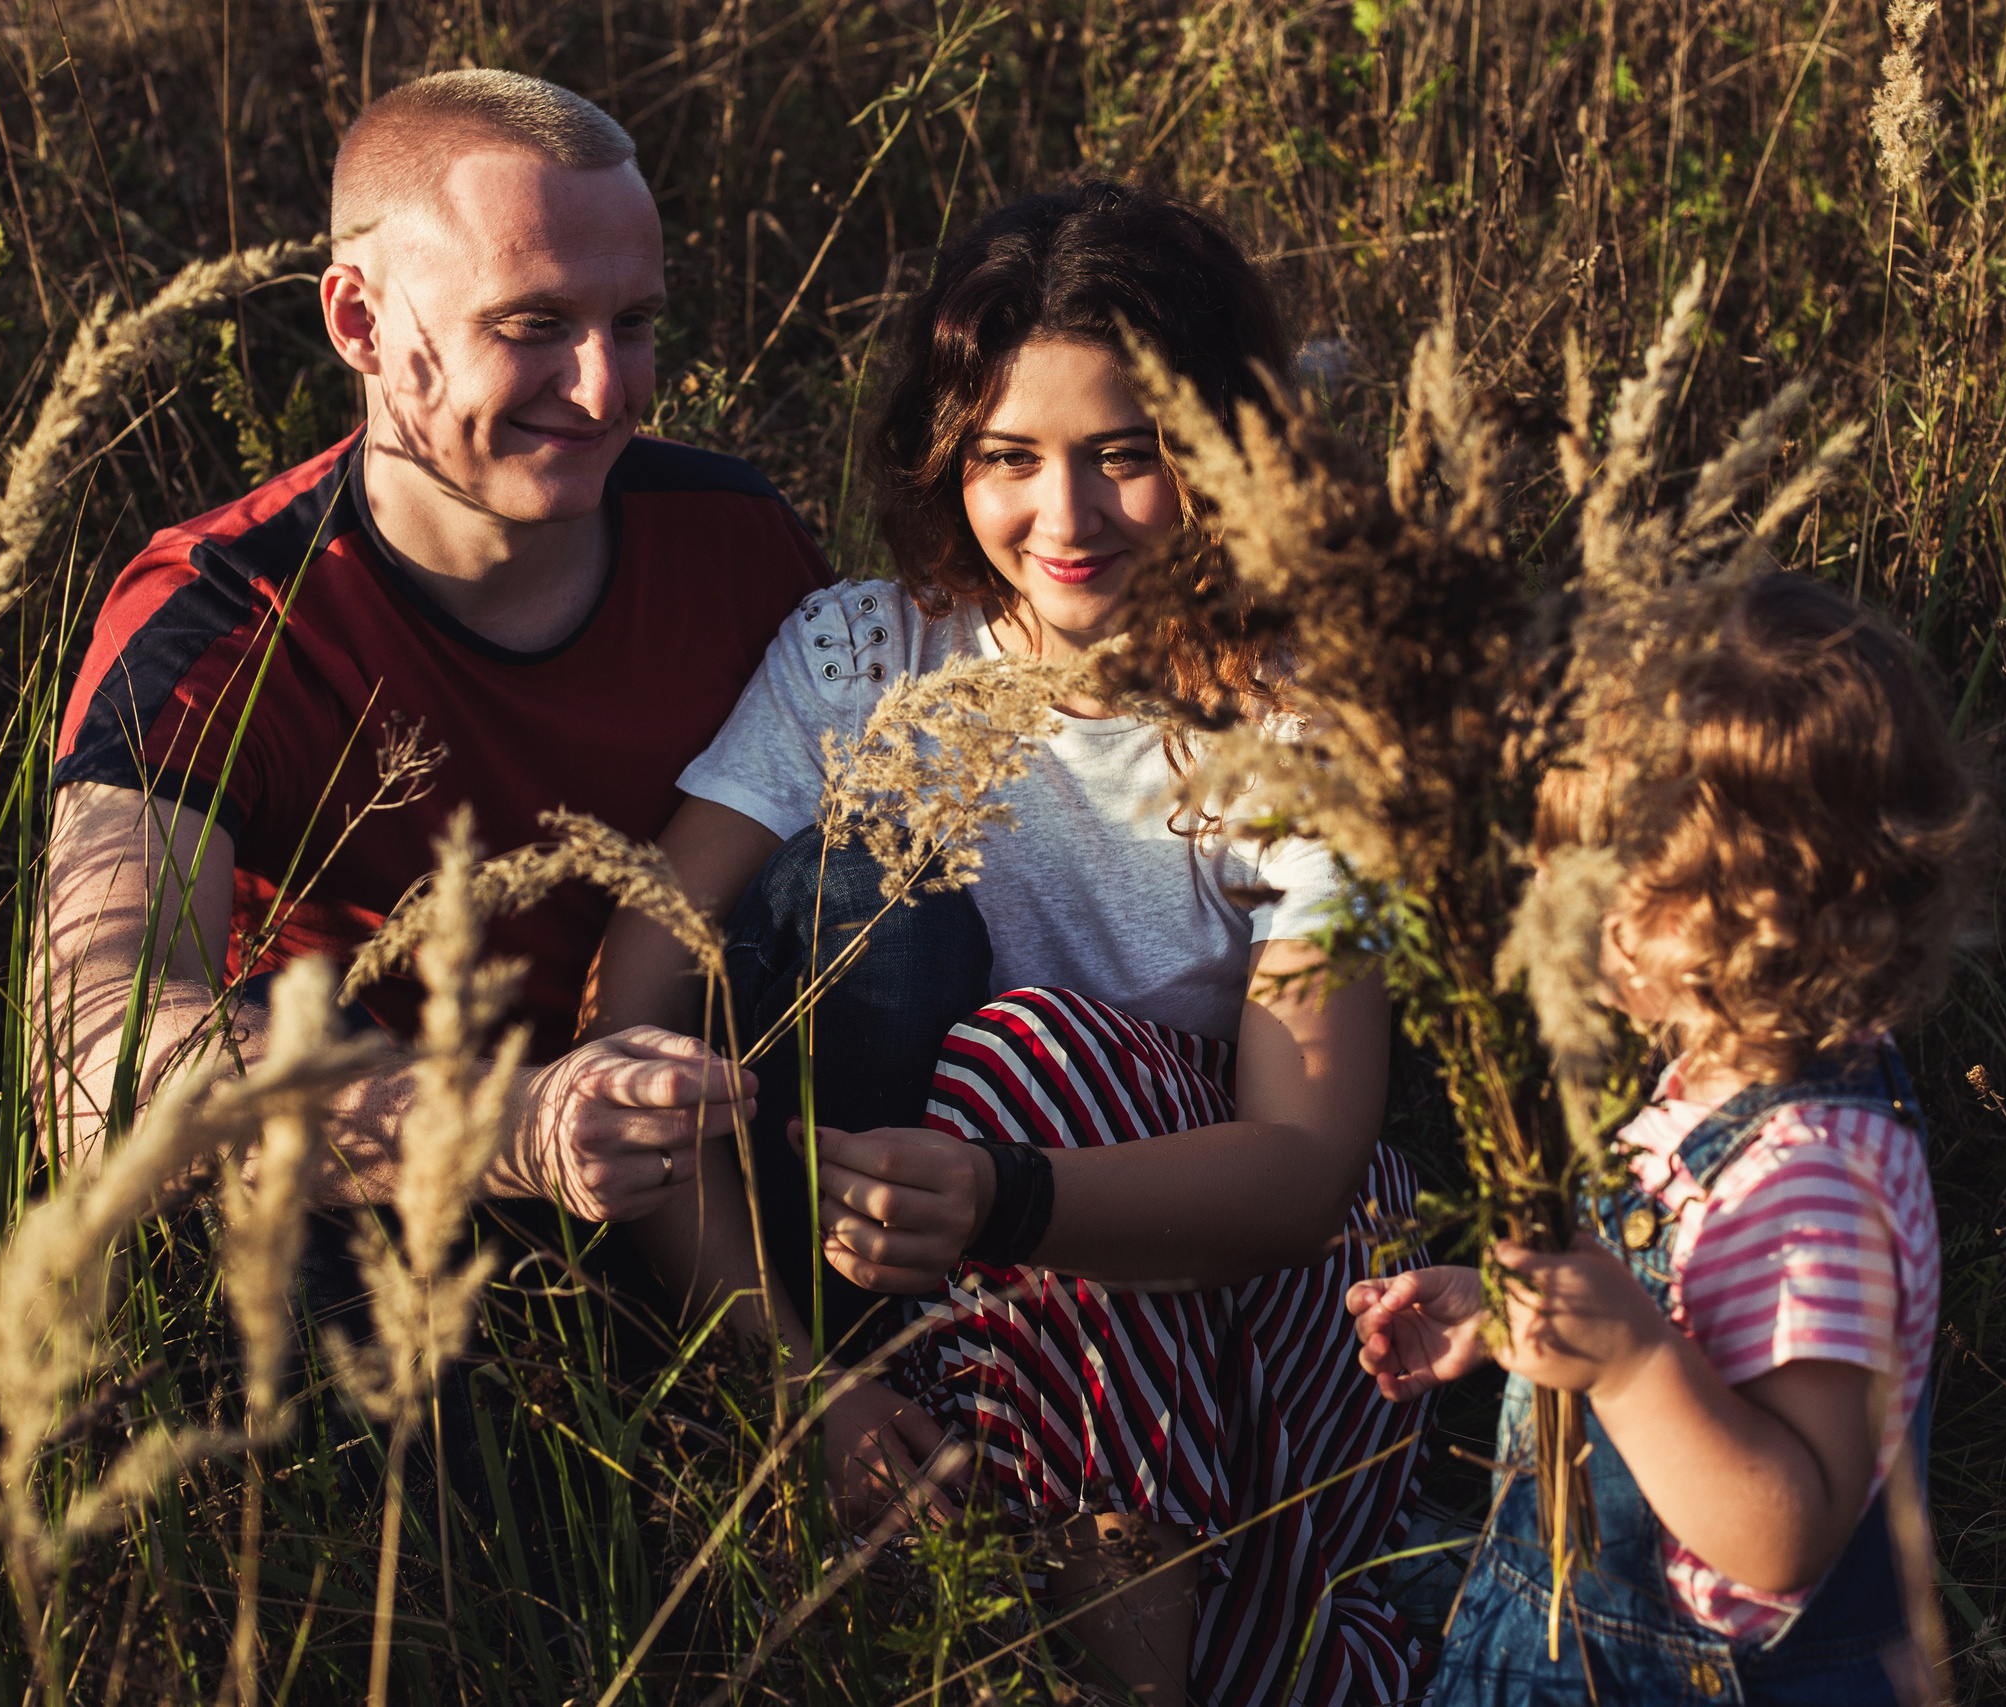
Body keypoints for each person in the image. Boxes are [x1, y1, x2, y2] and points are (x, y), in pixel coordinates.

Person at [586, 181, 1433, 1706]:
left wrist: (1009, 1188)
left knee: (1037, 1054)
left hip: (1258, 1294)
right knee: (893, 927)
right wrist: (799, 1392)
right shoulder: (868, 655)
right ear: (947, 455)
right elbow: (634, 1013)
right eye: (1008, 459)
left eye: (1129, 457)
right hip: (920, 1320)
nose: (1067, 518)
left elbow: (1310, 1161)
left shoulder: (1312, 722)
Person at [41, 71, 825, 1310]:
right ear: (357, 322)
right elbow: (92, 1051)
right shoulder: (226, 611)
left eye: (634, 324)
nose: (608, 390)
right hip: (406, 1188)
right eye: (533, 326)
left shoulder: (728, 536)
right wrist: (513, 1127)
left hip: (717, 1141)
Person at [1346, 573, 1989, 1703]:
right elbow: (1706, 1320)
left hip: (1679, 1673)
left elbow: (1785, 1527)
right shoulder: (1728, 1086)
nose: (1547, 888)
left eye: (1590, 869)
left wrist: (1631, 1361)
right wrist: (1515, 1321)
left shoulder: (1812, 1181)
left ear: (1747, 907)